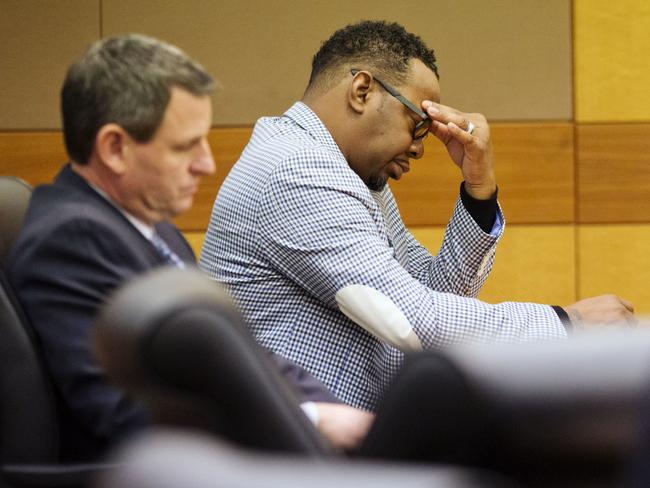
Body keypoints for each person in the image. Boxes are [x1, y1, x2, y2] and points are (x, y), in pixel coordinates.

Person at [199, 20, 635, 411]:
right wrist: (568, 324)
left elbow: (434, 292)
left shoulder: (344, 171)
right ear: (362, 91)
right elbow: (414, 319)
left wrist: (478, 189)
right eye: (417, 123)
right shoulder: (298, 170)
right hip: (305, 453)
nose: (420, 147)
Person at [7, 34, 370, 461]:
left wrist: (345, 419)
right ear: (114, 148)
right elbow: (124, 412)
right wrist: (310, 420)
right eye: (185, 146)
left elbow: (247, 354)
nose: (207, 164)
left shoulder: (155, 230)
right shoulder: (70, 240)